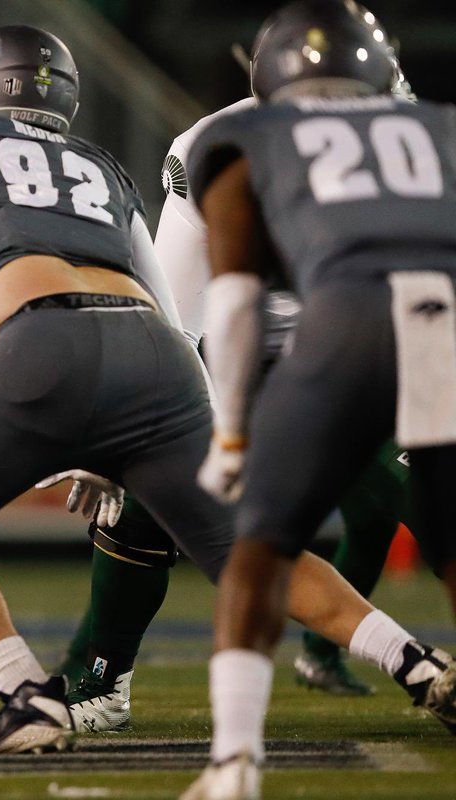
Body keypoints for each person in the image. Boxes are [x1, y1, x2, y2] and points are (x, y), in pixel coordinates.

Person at [0, 23, 456, 755]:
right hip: (155, 356)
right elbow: (169, 316)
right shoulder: (99, 169)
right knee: (238, 549)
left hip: (42, 341)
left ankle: (28, 695)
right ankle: (417, 662)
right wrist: (140, 438)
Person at [55, 6, 423, 732]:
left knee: (405, 489)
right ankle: (101, 673)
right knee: (151, 489)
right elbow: (178, 319)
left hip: (355, 342)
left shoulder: (415, 149)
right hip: (235, 342)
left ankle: (349, 652)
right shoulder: (213, 151)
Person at [181, 1, 456, 797]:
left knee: (260, 543)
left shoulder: (246, 136)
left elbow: (231, 302)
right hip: (443, 325)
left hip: (348, 319)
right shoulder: (438, 125)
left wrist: (230, 431)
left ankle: (235, 761)